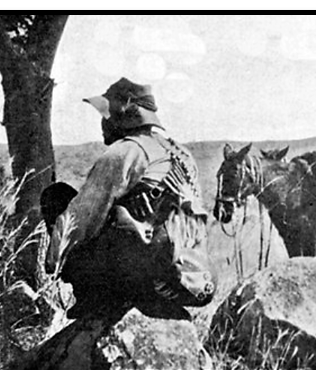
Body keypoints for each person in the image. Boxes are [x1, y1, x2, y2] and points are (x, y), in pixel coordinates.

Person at [44, 77, 216, 320]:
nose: (102, 123)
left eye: (106, 115)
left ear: (122, 115)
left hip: (151, 276)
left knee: (57, 196)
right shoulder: (182, 153)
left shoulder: (125, 152)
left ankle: (96, 301)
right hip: (197, 281)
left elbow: (80, 219)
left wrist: (54, 263)